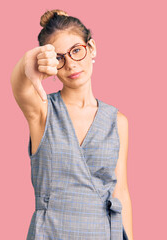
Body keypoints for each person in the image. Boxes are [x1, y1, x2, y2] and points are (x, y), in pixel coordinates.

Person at [10, 9, 133, 240]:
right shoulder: (43, 111)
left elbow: (121, 193)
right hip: (50, 233)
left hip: (102, 233)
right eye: (59, 57)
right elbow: (19, 87)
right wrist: (29, 62)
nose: (70, 64)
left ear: (92, 48)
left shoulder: (117, 122)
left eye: (76, 50)